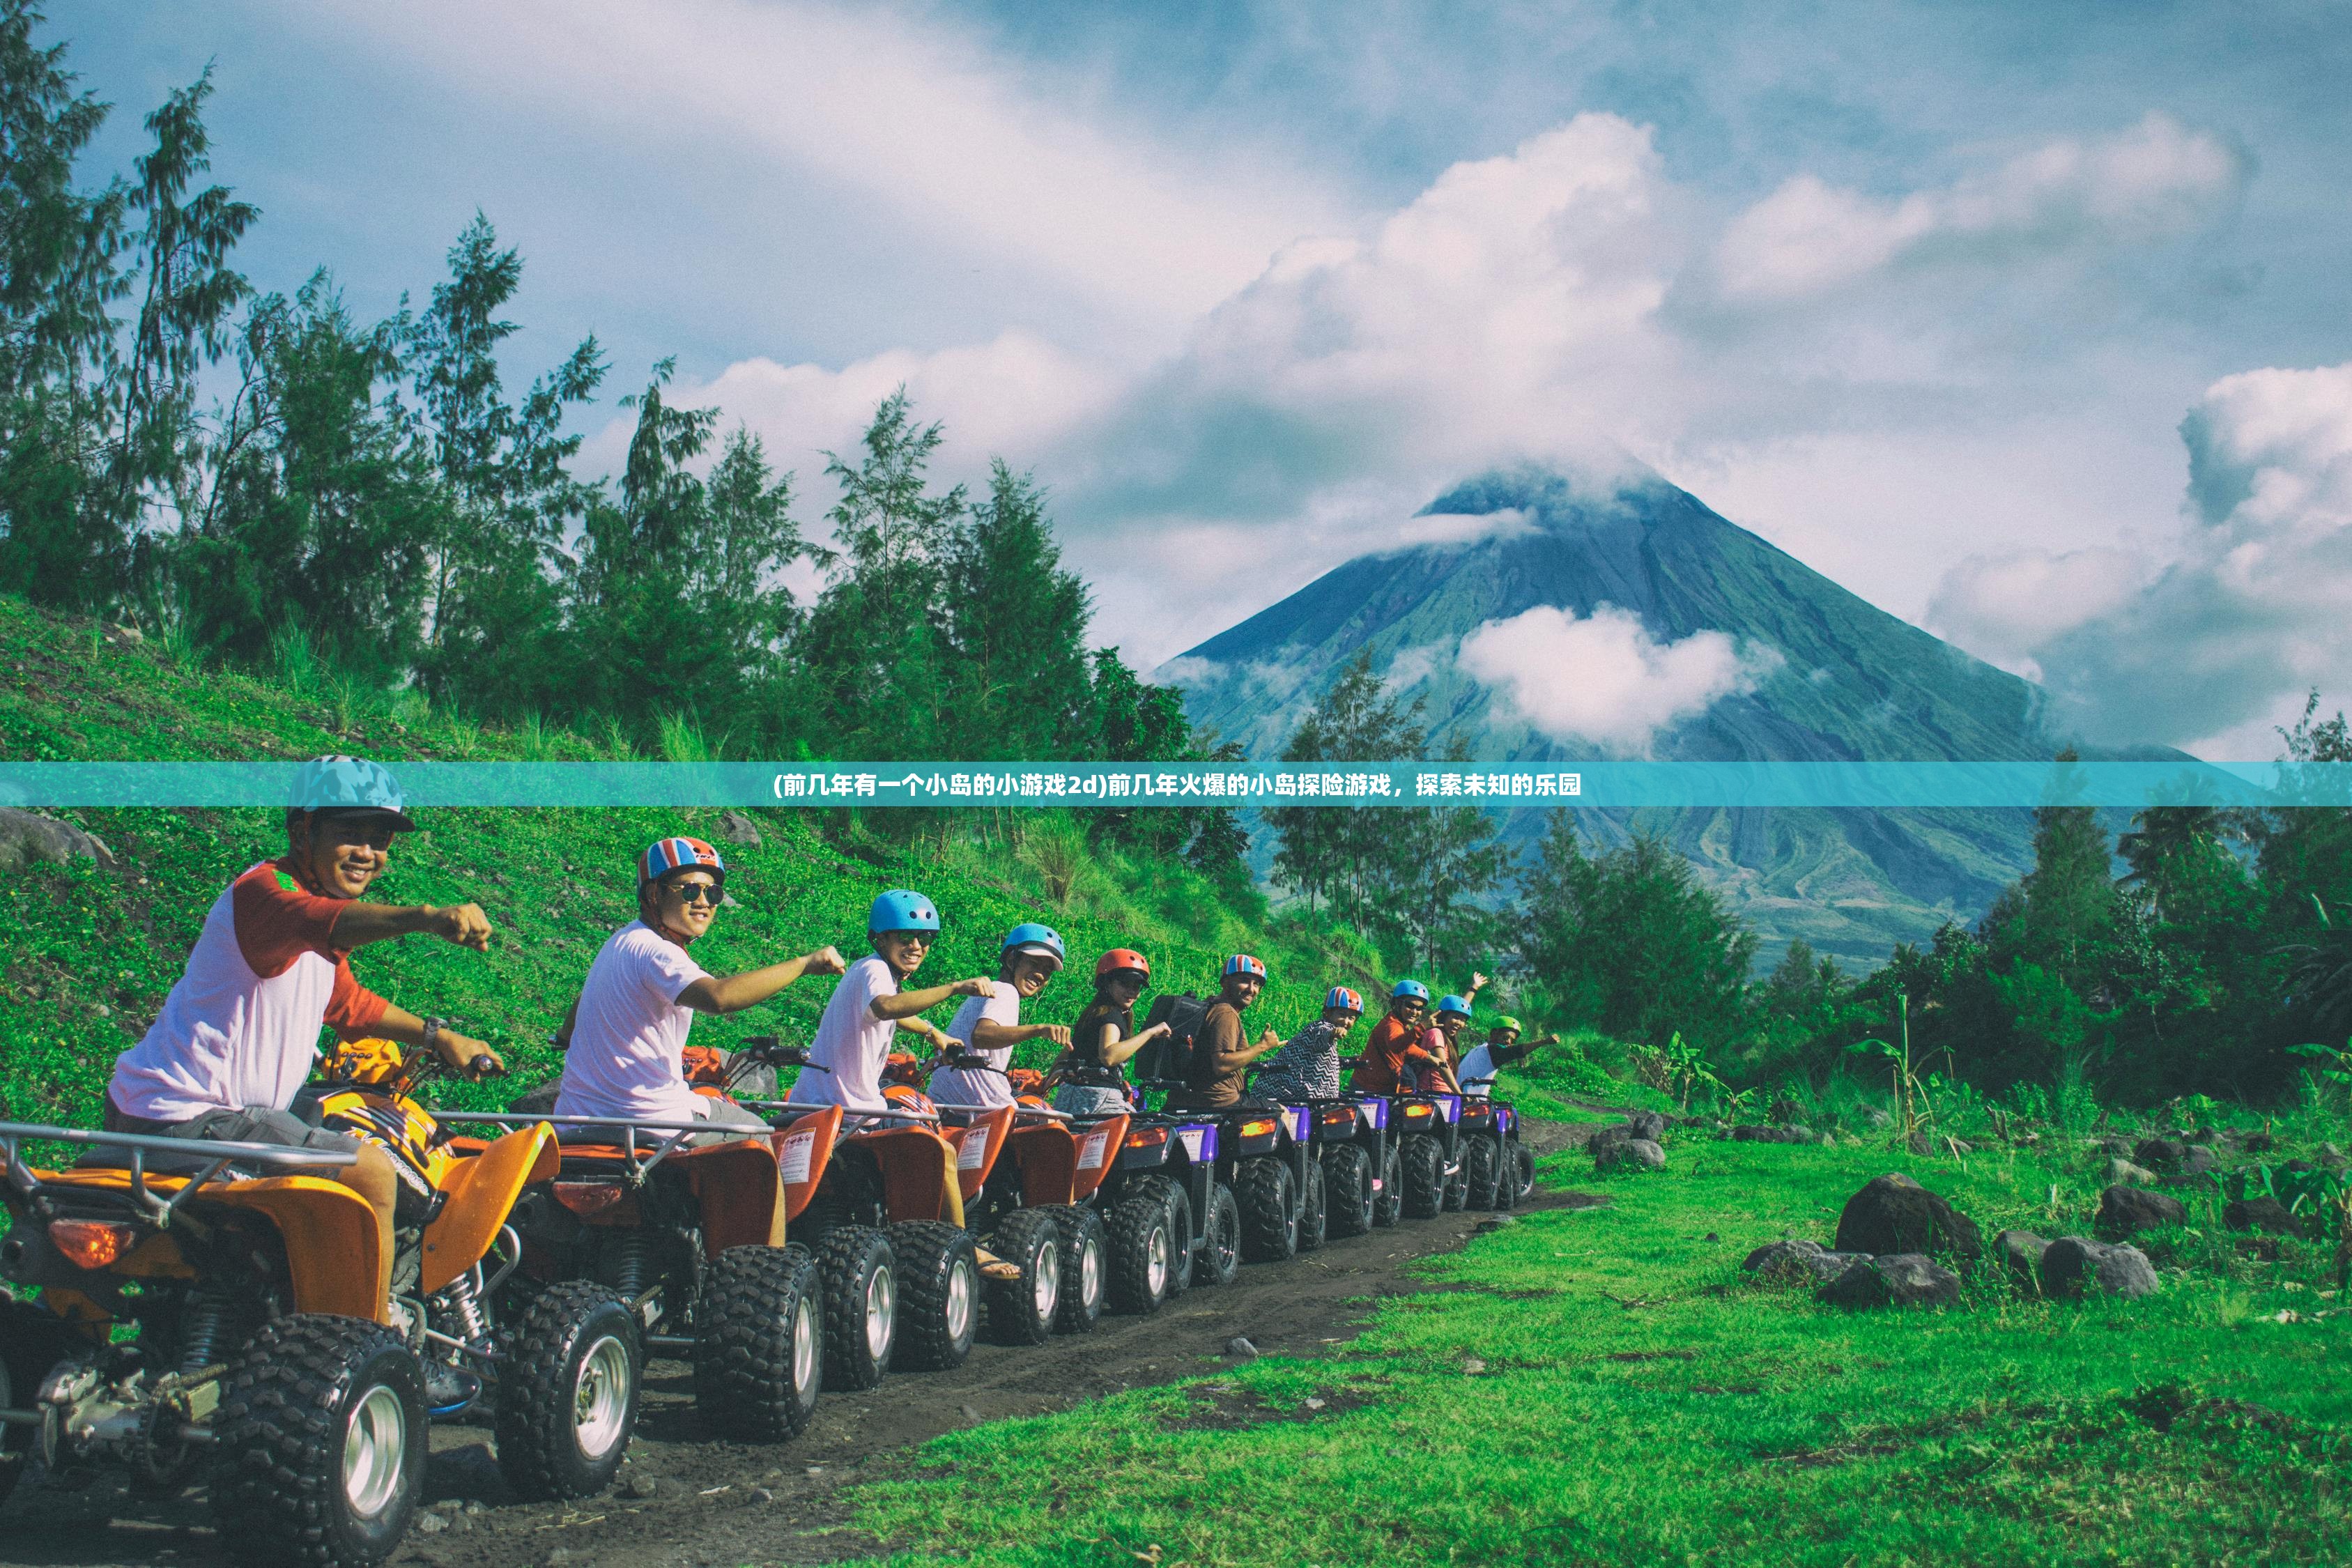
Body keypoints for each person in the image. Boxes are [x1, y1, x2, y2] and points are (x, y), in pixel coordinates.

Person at [103, 756, 504, 1328]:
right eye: (349, 834)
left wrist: (441, 1037)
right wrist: (427, 916)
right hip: (195, 1118)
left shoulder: (304, 922)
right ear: (302, 831)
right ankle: (369, 1336)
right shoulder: (267, 894)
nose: (368, 852)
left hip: (167, 1113)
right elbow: (324, 921)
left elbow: (347, 1005)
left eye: (379, 839)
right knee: (371, 1173)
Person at [551, 836, 845, 1138]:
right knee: (759, 1132)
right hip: (647, 1116)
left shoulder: (620, 942)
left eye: (713, 893)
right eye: (690, 890)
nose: (704, 902)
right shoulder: (657, 952)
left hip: (577, 1116)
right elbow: (718, 998)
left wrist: (563, 1036)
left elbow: (581, 1003)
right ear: (654, 894)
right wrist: (802, 965)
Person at [785, 889, 997, 1117]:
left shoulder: (865, 968)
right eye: (905, 937)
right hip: (846, 1111)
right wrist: (954, 988)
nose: (916, 946)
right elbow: (885, 1007)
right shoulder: (876, 970)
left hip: (816, 1102)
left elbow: (893, 1010)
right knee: (939, 1142)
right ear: (881, 939)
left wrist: (934, 1034)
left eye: (924, 938)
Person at [926, 923, 1073, 1112]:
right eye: (1035, 963)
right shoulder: (1006, 991)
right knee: (1052, 1126)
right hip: (980, 1106)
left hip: (945, 1100)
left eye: (1047, 971)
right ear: (1012, 960)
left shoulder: (992, 990)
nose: (1040, 975)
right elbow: (982, 1035)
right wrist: (1039, 1030)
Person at [1050, 948, 1171, 1117]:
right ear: (1107, 983)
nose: (1131, 991)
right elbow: (1109, 1056)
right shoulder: (1112, 1015)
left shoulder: (1092, 1013)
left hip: (1068, 1098)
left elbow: (1067, 1053)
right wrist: (1150, 1032)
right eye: (1124, 984)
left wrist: (1049, 1079)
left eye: (1136, 986)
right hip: (1099, 1100)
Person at [1164, 954, 1282, 1112]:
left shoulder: (1209, 1006)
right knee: (1282, 1112)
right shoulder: (1226, 1013)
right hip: (1218, 1100)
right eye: (1244, 981)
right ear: (1225, 982)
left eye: (1256, 984)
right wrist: (1263, 1046)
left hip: (1183, 1098)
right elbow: (1222, 1064)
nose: (1251, 989)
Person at [1249, 987, 1365, 1102]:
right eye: (1342, 1014)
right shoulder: (1320, 1028)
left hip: (1288, 1093)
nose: (1346, 1021)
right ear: (1328, 1012)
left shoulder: (1319, 1028)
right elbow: (1321, 1036)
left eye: (1351, 1018)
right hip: (1283, 1095)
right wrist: (1333, 1033)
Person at [1349, 980, 1445, 1096]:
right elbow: (1396, 1045)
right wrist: (1422, 1027)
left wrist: (1429, 1057)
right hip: (1366, 1088)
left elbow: (1407, 1047)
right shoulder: (1392, 1024)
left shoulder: (1400, 1024)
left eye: (1419, 1008)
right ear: (1398, 1003)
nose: (1414, 1012)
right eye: (1410, 1006)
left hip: (1382, 1088)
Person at [1458, 1016, 1559, 1098]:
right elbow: (1516, 1051)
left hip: (1456, 1096)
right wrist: (1544, 1042)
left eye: (1513, 1041)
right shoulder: (1493, 1051)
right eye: (1506, 1037)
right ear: (1494, 1034)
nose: (1509, 1042)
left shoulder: (1477, 1050)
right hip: (1469, 1101)